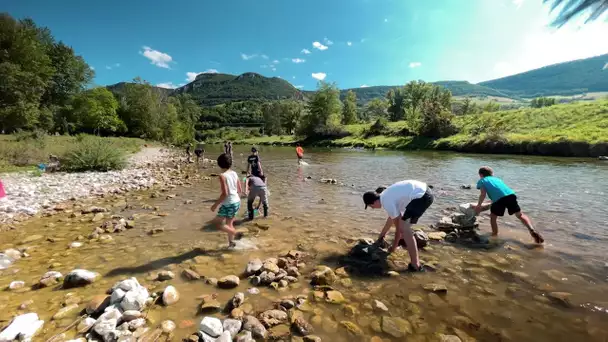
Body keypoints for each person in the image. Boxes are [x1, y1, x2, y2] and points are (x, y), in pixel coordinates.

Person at [363, 180, 434, 272]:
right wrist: (382, 235)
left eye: (371, 206)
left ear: (373, 202)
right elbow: (391, 219)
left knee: (404, 230)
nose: (372, 208)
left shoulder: (386, 202)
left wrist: (393, 247)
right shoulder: (386, 196)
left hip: (421, 197)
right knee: (403, 226)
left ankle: (415, 265)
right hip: (425, 192)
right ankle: (414, 261)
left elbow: (398, 229)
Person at [473, 166, 544, 244]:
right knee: (520, 215)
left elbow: (483, 194)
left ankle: (494, 235)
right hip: (511, 195)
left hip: (499, 200)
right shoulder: (497, 179)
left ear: (480, 174)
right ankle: (531, 229)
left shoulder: (482, 180)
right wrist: (490, 201)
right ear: (492, 174)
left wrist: (479, 205)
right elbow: (500, 192)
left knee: (493, 217)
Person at [210, 153, 242, 248]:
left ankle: (235, 233)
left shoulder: (222, 176)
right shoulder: (234, 173)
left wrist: (215, 205)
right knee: (229, 224)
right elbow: (239, 189)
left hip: (229, 203)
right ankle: (231, 244)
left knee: (216, 223)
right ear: (230, 163)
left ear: (219, 164)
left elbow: (225, 194)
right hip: (236, 201)